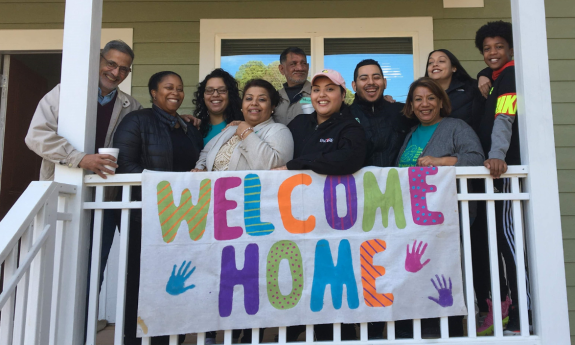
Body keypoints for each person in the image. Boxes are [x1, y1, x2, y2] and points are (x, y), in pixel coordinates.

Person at [25, 39, 142, 332]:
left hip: (104, 198)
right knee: (56, 265)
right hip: (64, 194)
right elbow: (36, 135)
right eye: (111, 64)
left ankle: (83, 329)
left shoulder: (130, 105)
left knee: (93, 268)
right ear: (99, 60)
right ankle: (47, 328)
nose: (115, 73)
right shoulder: (66, 92)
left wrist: (181, 122)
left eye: (124, 69)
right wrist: (79, 158)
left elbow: (146, 130)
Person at [114, 71, 203, 345]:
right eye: (168, 87)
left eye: (179, 88)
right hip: (146, 216)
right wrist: (172, 185)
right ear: (153, 93)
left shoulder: (187, 127)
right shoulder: (137, 121)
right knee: (141, 279)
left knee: (175, 277)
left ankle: (169, 337)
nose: (175, 92)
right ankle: (135, 337)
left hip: (182, 218)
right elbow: (125, 165)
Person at [395, 78, 483, 339]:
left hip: (443, 221)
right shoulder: (411, 133)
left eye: (430, 98)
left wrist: (440, 161)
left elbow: (476, 158)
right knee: (414, 278)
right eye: (418, 99)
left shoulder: (455, 126)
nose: (424, 104)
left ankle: (448, 334)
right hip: (412, 221)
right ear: (411, 105)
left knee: (442, 278)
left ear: (441, 102)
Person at [471, 20, 525, 337]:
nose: (493, 53)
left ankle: (524, 309)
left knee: (511, 245)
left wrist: (498, 156)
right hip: (500, 169)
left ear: (510, 48)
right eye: (487, 48)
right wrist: (485, 76)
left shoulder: (511, 77)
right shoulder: (497, 77)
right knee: (506, 244)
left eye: (499, 47)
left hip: (504, 169)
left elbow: (505, 117)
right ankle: (517, 307)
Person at [274, 69, 366, 175]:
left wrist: (299, 164)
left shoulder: (351, 128)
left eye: (329, 89)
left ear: (343, 95)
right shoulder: (298, 122)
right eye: (316, 90)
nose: (321, 95)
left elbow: (349, 159)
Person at [193, 78, 293, 173]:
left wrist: (247, 133)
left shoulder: (279, 130)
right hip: (215, 190)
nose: (254, 103)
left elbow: (273, 166)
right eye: (249, 98)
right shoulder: (231, 128)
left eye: (262, 99)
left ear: (272, 106)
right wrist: (200, 170)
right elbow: (206, 152)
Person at [350, 59, 417, 170]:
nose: (371, 82)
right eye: (363, 78)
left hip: (399, 185)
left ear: (385, 82)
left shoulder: (403, 112)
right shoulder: (345, 116)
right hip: (358, 186)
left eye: (376, 77)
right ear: (354, 86)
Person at [425, 49, 485, 131]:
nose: (435, 64)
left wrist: (485, 74)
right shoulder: (421, 94)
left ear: (453, 68)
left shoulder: (472, 88)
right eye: (430, 62)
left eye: (441, 61)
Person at [192, 68, 244, 146]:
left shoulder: (241, 125)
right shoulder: (196, 127)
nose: (215, 94)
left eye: (222, 90)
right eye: (209, 90)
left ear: (230, 95)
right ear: (203, 96)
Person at [274, 47, 314, 125]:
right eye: (293, 64)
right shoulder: (274, 97)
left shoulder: (318, 94)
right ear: (282, 69)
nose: (300, 68)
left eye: (303, 63)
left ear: (308, 67)